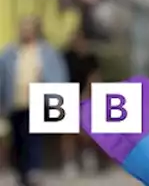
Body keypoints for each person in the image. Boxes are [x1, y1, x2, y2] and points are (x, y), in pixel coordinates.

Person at [0, 17, 69, 186]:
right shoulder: (10, 52)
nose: (25, 31)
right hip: (15, 101)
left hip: (38, 99)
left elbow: (59, 76)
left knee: (33, 137)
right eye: (23, 28)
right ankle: (21, 171)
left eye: (29, 28)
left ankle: (33, 170)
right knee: (18, 138)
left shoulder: (46, 52)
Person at [61, 31, 101, 175]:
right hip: (66, 95)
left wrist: (86, 95)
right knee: (67, 132)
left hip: (86, 95)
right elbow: (60, 76)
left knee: (86, 131)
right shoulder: (65, 57)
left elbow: (94, 78)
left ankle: (88, 157)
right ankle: (69, 162)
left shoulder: (90, 58)